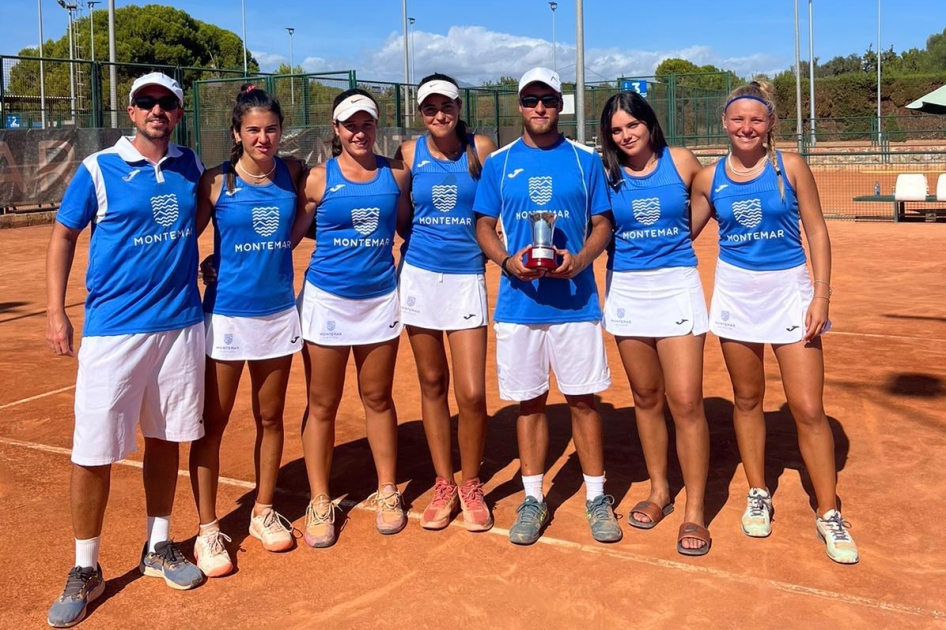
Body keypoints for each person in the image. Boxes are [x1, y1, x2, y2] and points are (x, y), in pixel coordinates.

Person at [46, 72, 204, 627]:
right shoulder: (98, 169)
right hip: (114, 330)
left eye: (167, 103)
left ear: (178, 113)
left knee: (165, 439)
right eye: (146, 102)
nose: (156, 109)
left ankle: (157, 545)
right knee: (93, 450)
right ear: (132, 111)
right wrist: (56, 310)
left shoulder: (190, 167)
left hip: (182, 326)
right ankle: (85, 567)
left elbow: (204, 220)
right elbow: (64, 234)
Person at [690, 80, 858, 564]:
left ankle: (829, 512)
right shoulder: (708, 177)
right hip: (736, 293)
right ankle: (758, 490)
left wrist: (821, 295)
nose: (746, 127)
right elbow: (679, 234)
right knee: (748, 399)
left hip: (790, 292)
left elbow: (818, 231)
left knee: (807, 407)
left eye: (756, 119)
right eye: (738, 119)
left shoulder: (791, 167)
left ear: (769, 125)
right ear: (724, 123)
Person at [473, 67, 621, 546]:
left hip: (576, 303)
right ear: (520, 105)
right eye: (532, 100)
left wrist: (579, 259)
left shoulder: (584, 161)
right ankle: (534, 497)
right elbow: (482, 225)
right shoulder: (498, 162)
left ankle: (597, 496)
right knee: (530, 404)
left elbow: (603, 223)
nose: (540, 108)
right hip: (519, 305)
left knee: (583, 401)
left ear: (561, 105)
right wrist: (507, 261)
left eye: (549, 100)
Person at [188, 85, 305, 577]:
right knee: (211, 425)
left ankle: (261, 511)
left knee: (271, 418)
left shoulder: (294, 173)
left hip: (278, 313)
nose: (263, 137)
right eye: (253, 129)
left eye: (271, 129)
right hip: (227, 316)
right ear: (237, 133)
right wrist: (204, 268)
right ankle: (208, 528)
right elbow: (182, 238)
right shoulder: (215, 183)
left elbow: (304, 219)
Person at [292, 89, 412, 547]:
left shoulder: (395, 177)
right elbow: (289, 235)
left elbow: (406, 227)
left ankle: (387, 491)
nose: (359, 132)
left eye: (366, 124)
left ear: (375, 127)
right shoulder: (318, 179)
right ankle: (320, 499)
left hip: (379, 300)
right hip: (326, 302)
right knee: (322, 402)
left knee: (377, 397)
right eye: (350, 125)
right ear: (336, 131)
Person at [599, 92, 712, 556]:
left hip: (676, 286)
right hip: (626, 290)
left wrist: (675, 245)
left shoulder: (682, 161)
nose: (626, 136)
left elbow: (705, 204)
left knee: (685, 400)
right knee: (646, 397)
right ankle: (661, 491)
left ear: (649, 123)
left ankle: (696, 511)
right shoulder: (605, 173)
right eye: (617, 131)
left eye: (633, 126)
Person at [394, 73, 498, 532]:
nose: (439, 115)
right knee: (432, 382)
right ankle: (444, 482)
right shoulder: (409, 153)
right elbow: (401, 218)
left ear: (459, 106)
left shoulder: (482, 148)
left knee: (471, 392)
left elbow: (495, 205)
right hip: (418, 276)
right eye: (430, 108)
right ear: (421, 113)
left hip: (466, 277)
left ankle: (471, 482)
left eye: (447, 106)